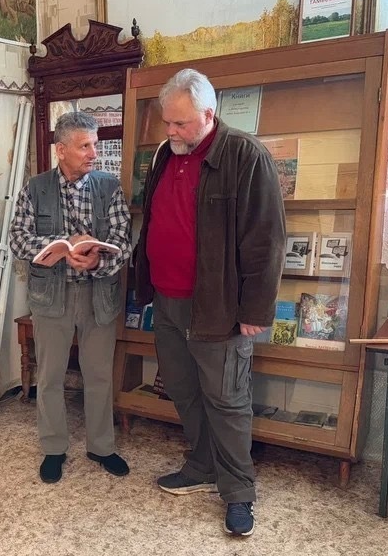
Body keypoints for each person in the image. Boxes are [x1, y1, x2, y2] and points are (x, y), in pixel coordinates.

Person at [133, 69, 285, 537]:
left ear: (208, 114)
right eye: (167, 122)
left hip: (217, 307)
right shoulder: (166, 154)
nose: (171, 131)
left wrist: (255, 312)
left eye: (180, 123)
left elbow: (266, 241)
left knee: (228, 401)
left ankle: (238, 492)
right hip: (167, 301)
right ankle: (201, 466)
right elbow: (157, 218)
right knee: (183, 389)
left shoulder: (246, 155)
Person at [9, 111, 132, 484]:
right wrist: (63, 246)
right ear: (60, 150)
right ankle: (53, 448)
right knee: (49, 377)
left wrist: (95, 259)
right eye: (85, 146)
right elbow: (18, 240)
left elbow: (124, 241)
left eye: (95, 145)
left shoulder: (109, 187)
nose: (94, 153)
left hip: (98, 296)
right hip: (52, 298)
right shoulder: (35, 188)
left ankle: (101, 446)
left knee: (99, 376)